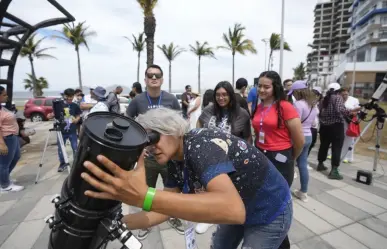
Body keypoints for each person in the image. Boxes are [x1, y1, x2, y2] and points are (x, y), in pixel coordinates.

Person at [81, 107, 293, 249]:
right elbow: (163, 210)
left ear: (173, 130)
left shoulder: (201, 146)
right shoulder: (175, 158)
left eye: (153, 137)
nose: (151, 147)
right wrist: (115, 224)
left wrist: (144, 195)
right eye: (146, 142)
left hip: (269, 211)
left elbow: (232, 210)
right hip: (243, 205)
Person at [126, 64, 183, 239]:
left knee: (171, 189)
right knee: (147, 190)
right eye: (150, 75)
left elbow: (179, 124)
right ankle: (146, 220)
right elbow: (130, 125)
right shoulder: (138, 101)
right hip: (148, 156)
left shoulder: (171, 99)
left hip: (169, 157)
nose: (154, 78)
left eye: (157, 75)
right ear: (145, 80)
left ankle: (173, 215)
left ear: (162, 79)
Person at [251, 71, 304, 249]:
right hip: (261, 155)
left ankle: (281, 243)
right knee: (263, 203)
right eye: (259, 86)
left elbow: (299, 140)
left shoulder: (285, 106)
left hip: (280, 158)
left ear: (275, 87)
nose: (262, 90)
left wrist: (291, 159)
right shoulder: (259, 106)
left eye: (266, 86)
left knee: (276, 205)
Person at [196, 81, 251, 234]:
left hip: (231, 159)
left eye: (224, 94)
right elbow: (198, 126)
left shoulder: (241, 114)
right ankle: (207, 218)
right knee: (209, 188)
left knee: (228, 189)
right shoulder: (209, 110)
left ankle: (225, 216)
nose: (221, 98)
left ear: (230, 96)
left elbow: (247, 138)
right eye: (218, 95)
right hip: (209, 158)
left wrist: (246, 159)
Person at [317, 83, 358, 180]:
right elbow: (340, 110)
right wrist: (351, 112)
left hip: (324, 127)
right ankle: (334, 170)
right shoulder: (337, 98)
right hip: (336, 127)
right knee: (336, 148)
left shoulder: (323, 99)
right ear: (338, 91)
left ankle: (320, 164)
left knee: (324, 146)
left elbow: (319, 111)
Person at [287, 81, 318, 202]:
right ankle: (303, 192)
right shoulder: (313, 104)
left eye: (293, 93)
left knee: (289, 164)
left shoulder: (298, 105)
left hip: (297, 137)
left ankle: (286, 191)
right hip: (309, 136)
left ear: (298, 92)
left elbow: (295, 123)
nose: (293, 95)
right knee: (303, 164)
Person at [48, 88, 82, 172]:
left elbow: (78, 115)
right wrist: (50, 115)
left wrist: (77, 120)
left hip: (72, 131)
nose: (70, 98)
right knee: (61, 148)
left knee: (75, 147)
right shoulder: (59, 105)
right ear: (65, 96)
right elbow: (54, 114)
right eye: (68, 96)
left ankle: (76, 164)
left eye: (72, 96)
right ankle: (62, 163)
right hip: (61, 131)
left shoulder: (75, 105)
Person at [0, 86, 24, 192]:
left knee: (16, 157)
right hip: (6, 138)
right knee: (4, 163)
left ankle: (4, 178)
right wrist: (2, 144)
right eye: (4, 95)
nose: (7, 96)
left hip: (13, 137)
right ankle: (5, 185)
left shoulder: (2, 107)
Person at [336, 87, 360, 163]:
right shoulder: (338, 99)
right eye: (343, 94)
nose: (345, 95)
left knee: (349, 139)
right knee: (338, 139)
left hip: (349, 123)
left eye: (346, 93)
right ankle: (336, 154)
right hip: (339, 122)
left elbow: (358, 110)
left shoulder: (354, 100)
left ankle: (347, 156)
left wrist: (353, 113)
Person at [308, 87, 323, 156]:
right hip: (309, 127)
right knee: (308, 144)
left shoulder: (317, 104)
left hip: (315, 127)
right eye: (314, 95)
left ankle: (303, 160)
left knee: (312, 143)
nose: (316, 97)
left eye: (317, 95)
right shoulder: (308, 103)